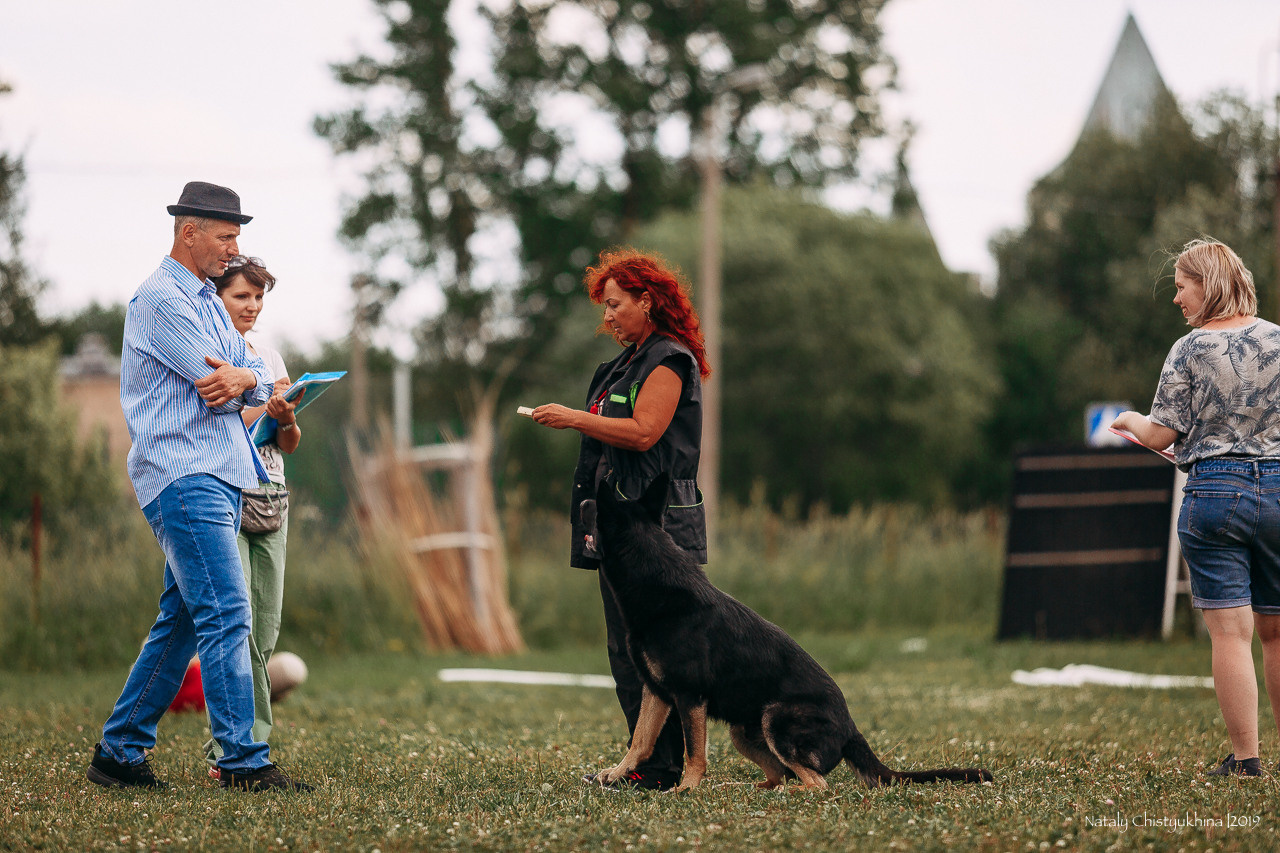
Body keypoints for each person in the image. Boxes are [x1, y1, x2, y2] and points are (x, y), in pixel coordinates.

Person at [86, 181, 310, 792]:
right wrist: (244, 379)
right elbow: (219, 385)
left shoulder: (208, 299)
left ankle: (119, 751)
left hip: (219, 474)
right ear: (190, 232)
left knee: (182, 621)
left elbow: (252, 370)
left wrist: (246, 376)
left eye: (237, 237)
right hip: (184, 475)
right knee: (228, 611)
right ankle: (242, 761)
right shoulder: (162, 300)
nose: (234, 248)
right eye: (226, 236)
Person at [531, 248, 711, 791]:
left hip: (660, 527)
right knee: (626, 647)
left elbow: (644, 432)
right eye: (604, 307)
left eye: (614, 304)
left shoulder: (669, 359)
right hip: (622, 525)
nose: (606, 316)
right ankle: (648, 763)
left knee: (666, 650)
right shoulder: (622, 365)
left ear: (646, 300)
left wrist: (574, 418)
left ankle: (664, 768)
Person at [1112, 238, 1280, 778]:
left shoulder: (1189, 349)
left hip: (1216, 494)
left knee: (1231, 634)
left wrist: (1130, 420)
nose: (1177, 298)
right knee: (1277, 632)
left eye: (1182, 287)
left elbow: (1161, 434)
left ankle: (1247, 761)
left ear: (1208, 285)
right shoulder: (1278, 340)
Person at [199, 255, 305, 779]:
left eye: (259, 296)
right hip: (227, 495)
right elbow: (221, 420)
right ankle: (234, 752)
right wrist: (265, 400)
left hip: (272, 498)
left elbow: (290, 442)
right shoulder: (206, 350)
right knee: (234, 628)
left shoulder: (269, 355)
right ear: (217, 297)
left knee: (264, 630)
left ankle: (247, 745)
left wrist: (286, 415)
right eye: (242, 295)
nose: (253, 306)